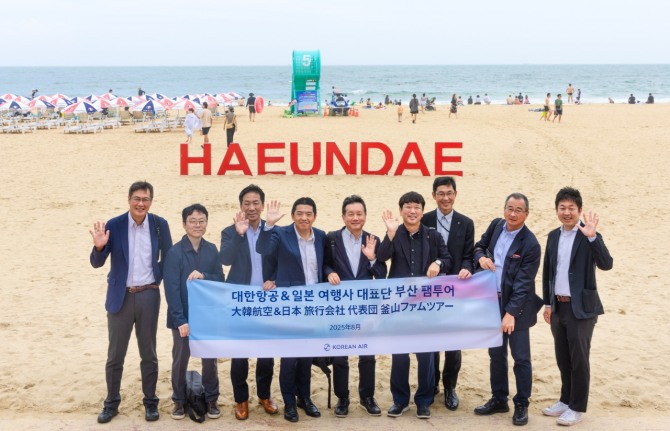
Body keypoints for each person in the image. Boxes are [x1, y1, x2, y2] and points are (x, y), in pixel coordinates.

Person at [89, 181, 173, 424]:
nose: (140, 203)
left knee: (149, 353)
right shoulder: (114, 225)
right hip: (120, 297)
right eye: (136, 198)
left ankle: (150, 402)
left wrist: (157, 278)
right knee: (115, 355)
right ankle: (111, 403)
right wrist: (99, 247)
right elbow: (97, 263)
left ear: (151, 202)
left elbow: (168, 257)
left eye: (145, 199)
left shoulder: (159, 225)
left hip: (149, 295)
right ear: (129, 200)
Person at [377, 191, 453, 420]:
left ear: (422, 211)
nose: (412, 211)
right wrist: (390, 234)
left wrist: (437, 263)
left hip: (425, 306)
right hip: (399, 305)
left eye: (416, 207)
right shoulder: (395, 232)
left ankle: (423, 401)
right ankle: (400, 401)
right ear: (401, 210)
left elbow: (447, 259)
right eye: (408, 207)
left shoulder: (433, 235)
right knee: (400, 355)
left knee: (426, 355)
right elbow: (381, 257)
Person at [541, 187, 613, 426]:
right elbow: (548, 272)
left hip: (581, 309)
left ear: (579, 210)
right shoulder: (553, 236)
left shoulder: (588, 234)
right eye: (562, 208)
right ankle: (565, 400)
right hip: (558, 307)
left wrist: (592, 237)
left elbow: (606, 263)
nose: (567, 212)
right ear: (556, 210)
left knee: (579, 359)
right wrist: (548, 304)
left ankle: (577, 407)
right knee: (563, 357)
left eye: (571, 208)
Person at [472, 193, 542, 426]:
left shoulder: (530, 244)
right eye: (509, 208)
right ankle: (499, 399)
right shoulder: (496, 225)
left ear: (526, 214)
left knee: (520, 357)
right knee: (496, 354)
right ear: (504, 209)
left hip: (517, 308)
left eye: (518, 210)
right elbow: (479, 246)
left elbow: (524, 284)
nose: (512, 214)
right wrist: (481, 258)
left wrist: (511, 313)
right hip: (492, 301)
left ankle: (522, 403)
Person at [256, 197, 326, 423]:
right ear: (294, 215)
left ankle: (304, 398)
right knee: (289, 358)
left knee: (306, 357)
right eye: (300, 213)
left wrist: (331, 272)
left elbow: (325, 265)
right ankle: (289, 402)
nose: (304, 218)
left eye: (308, 214)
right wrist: (268, 225)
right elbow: (263, 249)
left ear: (314, 216)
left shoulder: (321, 236)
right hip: (290, 306)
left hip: (314, 306)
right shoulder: (280, 233)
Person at [324, 196, 388, 418]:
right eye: (350, 214)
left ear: (365, 216)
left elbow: (381, 274)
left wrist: (372, 259)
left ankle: (367, 397)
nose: (355, 218)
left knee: (367, 353)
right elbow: (324, 264)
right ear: (343, 217)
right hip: (339, 305)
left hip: (365, 305)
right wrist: (329, 273)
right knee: (340, 355)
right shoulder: (331, 239)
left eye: (359, 213)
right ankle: (342, 398)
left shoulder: (373, 239)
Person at [220, 185, 280, 420]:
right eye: (247, 203)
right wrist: (239, 235)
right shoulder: (230, 231)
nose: (251, 207)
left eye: (256, 203)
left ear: (262, 205)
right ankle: (241, 399)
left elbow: (282, 261)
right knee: (240, 353)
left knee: (266, 352)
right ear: (240, 206)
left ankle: (264, 396)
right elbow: (225, 259)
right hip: (241, 301)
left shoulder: (273, 230)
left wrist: (275, 279)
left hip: (267, 300)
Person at [164, 204, 224, 420]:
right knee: (180, 359)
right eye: (192, 221)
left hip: (207, 316)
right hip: (182, 318)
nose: (197, 225)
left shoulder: (212, 249)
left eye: (201, 221)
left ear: (206, 223)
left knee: (210, 360)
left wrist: (204, 276)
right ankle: (179, 401)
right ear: (184, 224)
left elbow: (220, 279)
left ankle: (211, 399)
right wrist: (180, 320)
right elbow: (171, 289)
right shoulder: (174, 253)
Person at [422, 177, 474, 411]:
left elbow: (468, 255)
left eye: (449, 193)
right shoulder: (424, 220)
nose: (446, 198)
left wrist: (467, 268)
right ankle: (431, 384)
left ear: (455, 194)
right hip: (430, 291)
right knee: (430, 340)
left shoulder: (466, 223)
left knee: (453, 342)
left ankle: (450, 387)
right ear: (433, 195)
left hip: (456, 290)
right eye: (441, 193)